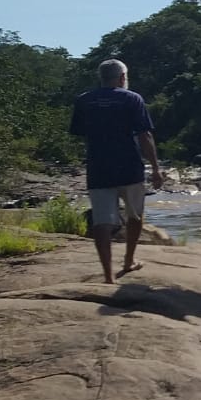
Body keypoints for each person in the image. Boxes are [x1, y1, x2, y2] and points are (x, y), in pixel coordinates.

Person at [69, 58, 164, 283]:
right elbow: (145, 135)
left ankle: (108, 275)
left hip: (98, 167)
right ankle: (128, 260)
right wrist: (155, 168)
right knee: (135, 215)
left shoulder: (84, 100)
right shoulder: (132, 98)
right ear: (122, 78)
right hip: (129, 166)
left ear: (101, 77)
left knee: (102, 221)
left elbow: (80, 132)